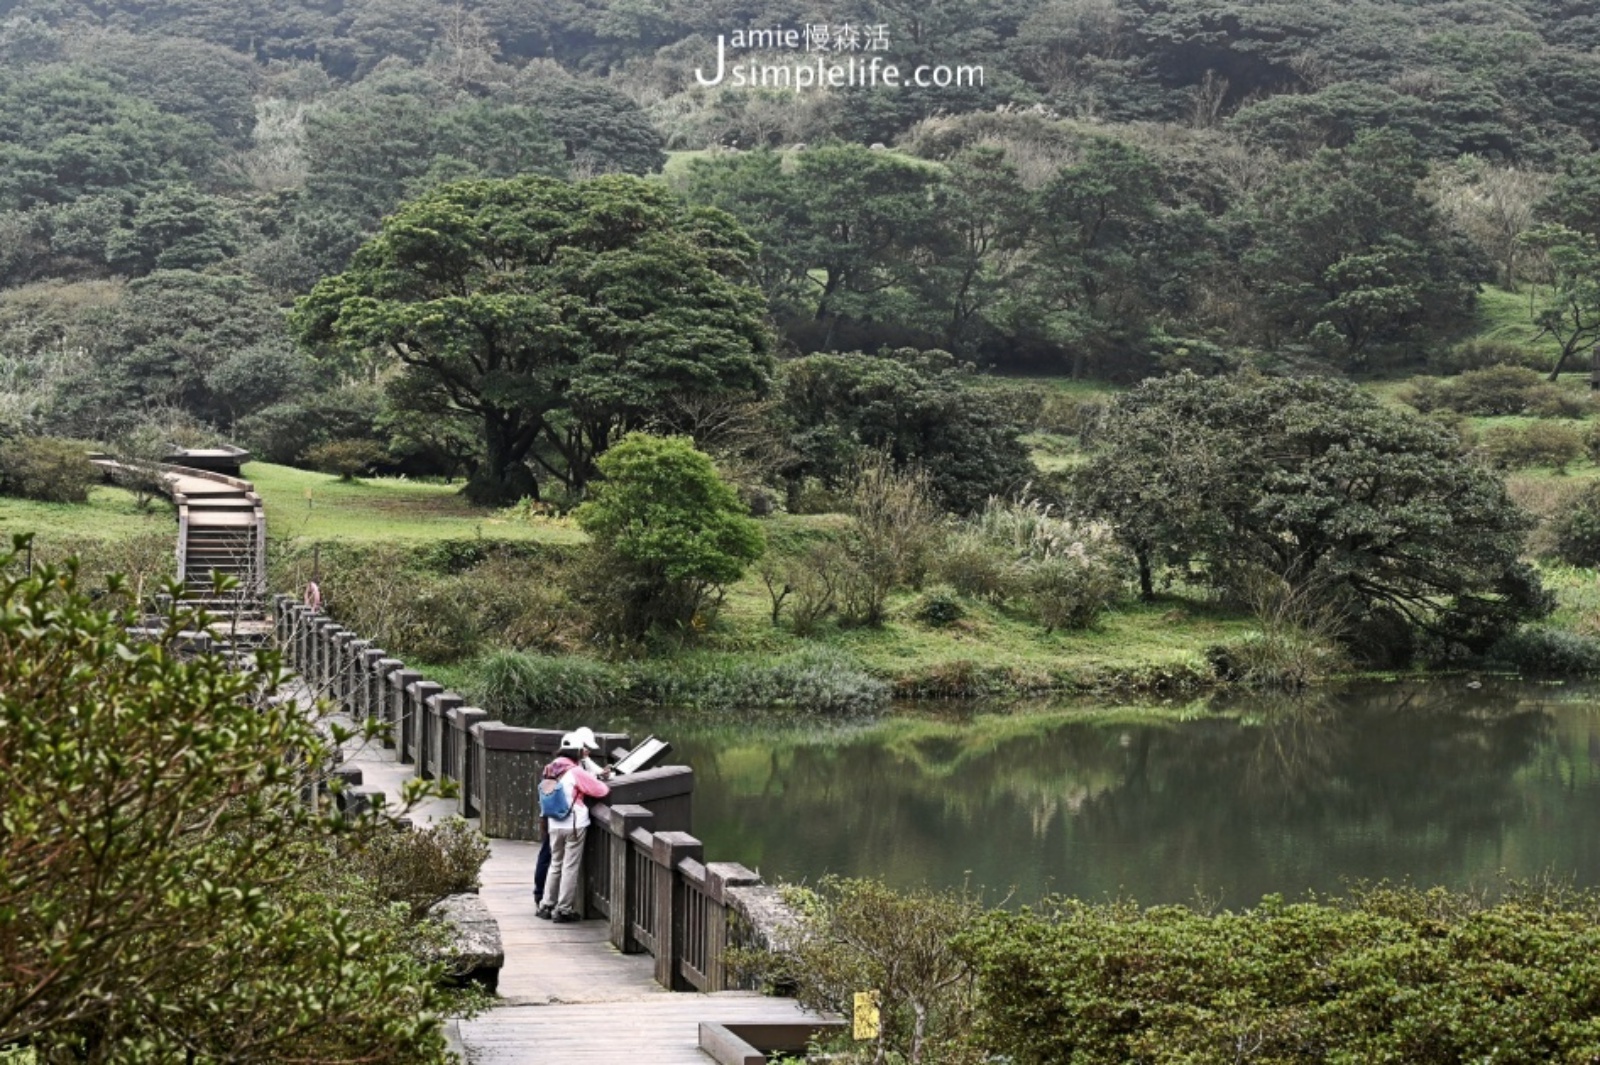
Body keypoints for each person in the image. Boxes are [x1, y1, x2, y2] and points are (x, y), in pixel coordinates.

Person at [536, 732, 610, 923]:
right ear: (578, 750)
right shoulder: (576, 771)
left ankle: (546, 905)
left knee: (555, 864)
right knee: (570, 867)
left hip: (553, 823)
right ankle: (563, 909)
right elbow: (601, 790)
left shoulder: (549, 768)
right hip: (574, 824)